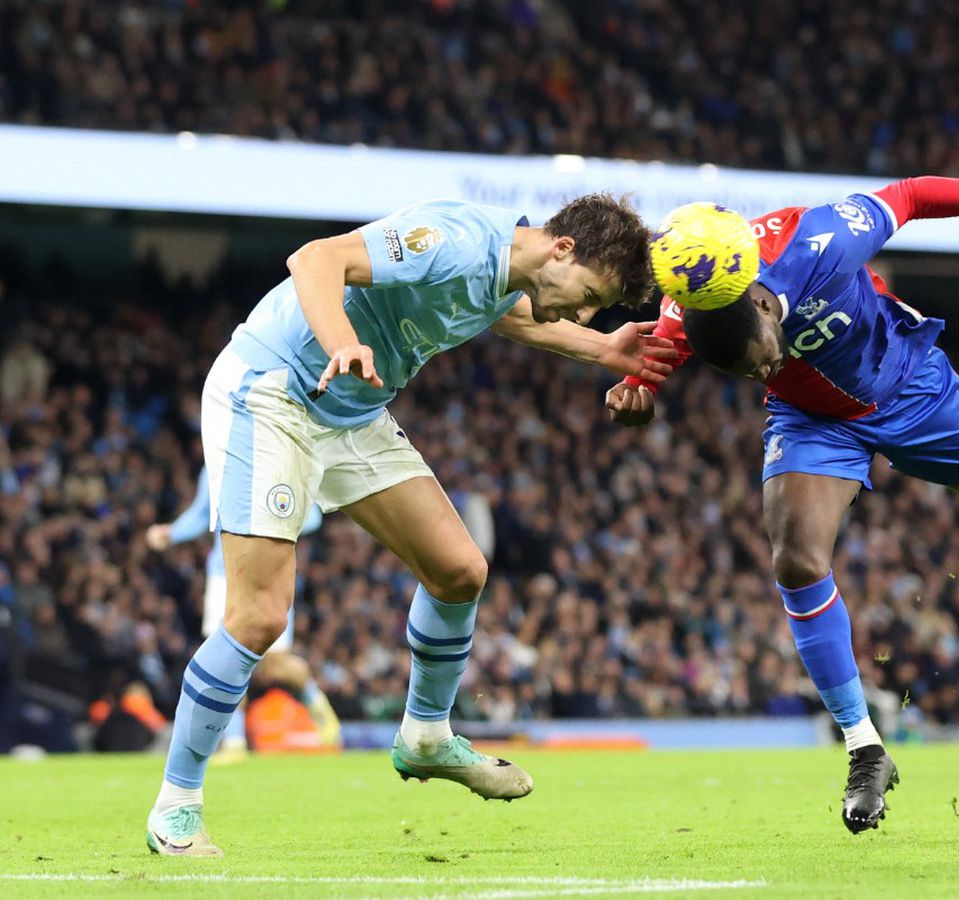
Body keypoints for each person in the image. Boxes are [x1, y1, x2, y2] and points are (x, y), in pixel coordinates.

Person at [147, 194, 673, 857]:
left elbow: (513, 318)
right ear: (561, 250)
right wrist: (343, 343)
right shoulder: (451, 239)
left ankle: (425, 736)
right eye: (592, 296)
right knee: (258, 616)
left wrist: (603, 347)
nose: (587, 311)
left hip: (352, 410)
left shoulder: (508, 274)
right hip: (275, 391)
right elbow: (316, 259)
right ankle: (177, 806)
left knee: (459, 570)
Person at [606, 153, 959, 833]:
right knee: (796, 561)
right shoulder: (686, 309)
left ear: (761, 301)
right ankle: (864, 747)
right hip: (814, 422)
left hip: (908, 382)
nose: (769, 364)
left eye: (767, 353)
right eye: (755, 371)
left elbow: (912, 194)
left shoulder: (820, 240)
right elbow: (646, 369)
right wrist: (637, 392)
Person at [146, 465, 339, 760]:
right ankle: (235, 743)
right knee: (227, 660)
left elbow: (311, 517)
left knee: (271, 664)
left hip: (267, 571)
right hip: (226, 574)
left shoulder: (276, 457)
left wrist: (274, 519)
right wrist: (171, 533)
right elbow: (202, 514)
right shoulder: (216, 462)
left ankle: (315, 704)